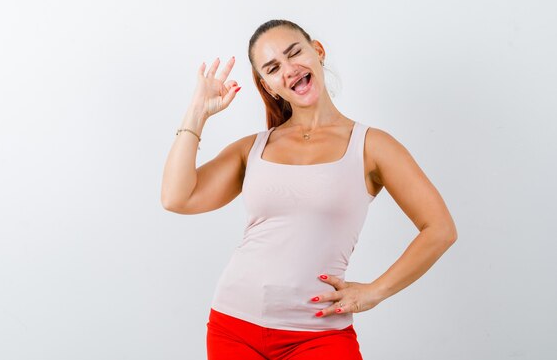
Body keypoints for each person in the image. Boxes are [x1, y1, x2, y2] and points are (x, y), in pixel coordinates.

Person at [161, 19, 458, 360]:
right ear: (268, 86)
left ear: (317, 51)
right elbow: (176, 197)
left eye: (294, 53)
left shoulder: (371, 146)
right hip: (233, 326)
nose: (289, 70)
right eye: (273, 68)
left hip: (318, 334)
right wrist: (197, 112)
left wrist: (375, 292)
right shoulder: (252, 149)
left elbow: (440, 229)